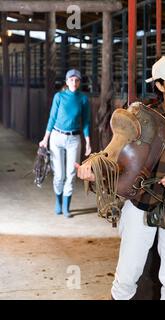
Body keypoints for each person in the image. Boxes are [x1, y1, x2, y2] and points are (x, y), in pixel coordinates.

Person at [76, 56, 165, 300]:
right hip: (140, 203)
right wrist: (90, 167)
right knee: (127, 275)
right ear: (160, 86)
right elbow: (113, 151)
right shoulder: (140, 115)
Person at [39, 69, 91, 218]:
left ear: (79, 82)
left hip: (74, 139)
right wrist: (45, 138)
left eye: (77, 80)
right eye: (71, 80)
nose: (74, 83)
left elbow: (86, 122)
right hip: (56, 137)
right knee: (59, 174)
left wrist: (88, 142)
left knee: (71, 173)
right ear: (67, 82)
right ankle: (58, 202)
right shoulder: (59, 97)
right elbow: (52, 118)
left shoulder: (83, 99)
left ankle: (67, 207)